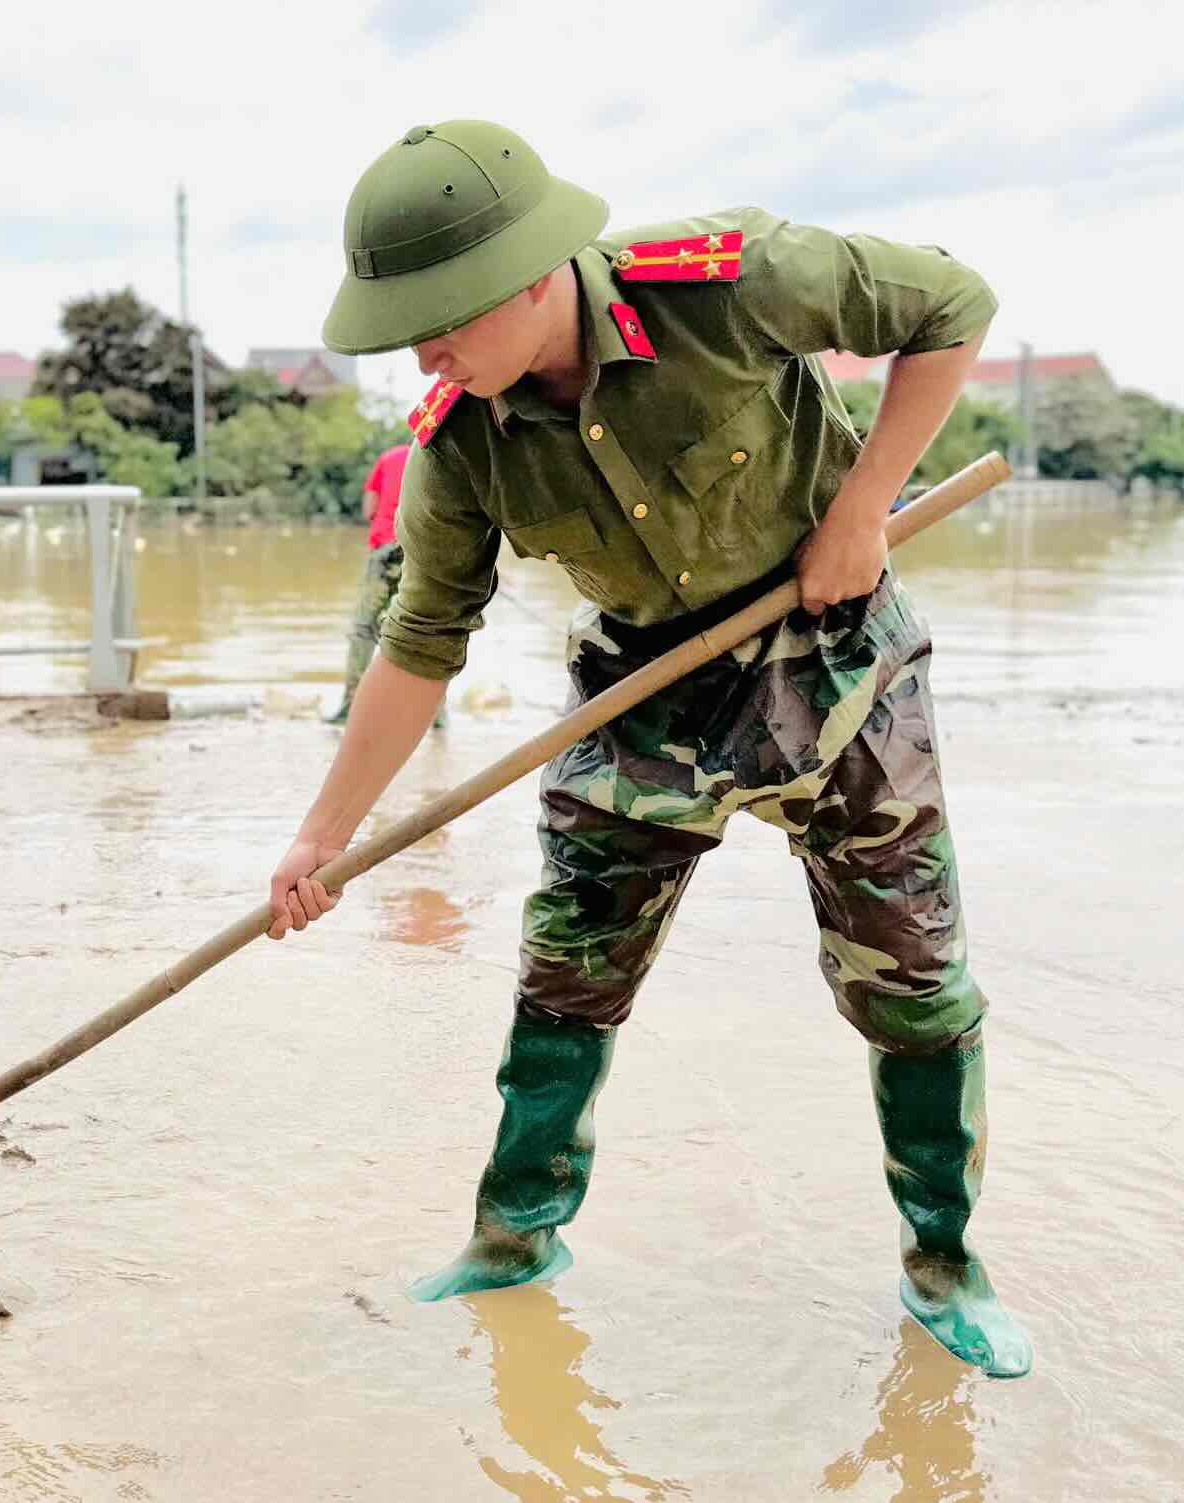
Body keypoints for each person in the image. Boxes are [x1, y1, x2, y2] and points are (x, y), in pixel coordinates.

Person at [265, 119, 1030, 1379]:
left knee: (913, 988)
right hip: (644, 693)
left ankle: (944, 1264)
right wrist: (320, 837)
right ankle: (512, 1240)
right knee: (565, 968)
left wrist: (859, 511)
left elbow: (952, 303)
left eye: (442, 317)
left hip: (833, 653)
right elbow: (418, 641)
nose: (425, 349)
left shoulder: (727, 282)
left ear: (527, 276)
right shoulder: (458, 442)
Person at [328, 441, 444, 728]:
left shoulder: (387, 458)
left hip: (385, 547)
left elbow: (369, 509)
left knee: (364, 629)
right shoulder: (440, 457)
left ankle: (349, 707)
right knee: (432, 632)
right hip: (422, 552)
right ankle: (437, 716)